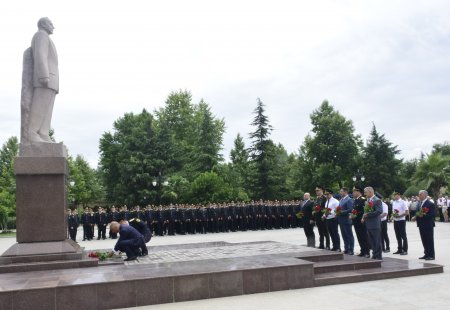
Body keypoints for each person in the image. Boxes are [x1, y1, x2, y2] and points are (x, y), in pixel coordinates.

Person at [23, 17, 59, 143]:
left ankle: (43, 133)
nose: (53, 26)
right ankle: (32, 133)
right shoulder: (41, 35)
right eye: (51, 23)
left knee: (47, 110)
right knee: (39, 107)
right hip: (45, 78)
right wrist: (43, 75)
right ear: (44, 24)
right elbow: (40, 54)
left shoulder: (46, 37)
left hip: (52, 80)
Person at [412, 190, 436, 260]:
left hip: (428, 225)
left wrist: (423, 216)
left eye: (420, 194)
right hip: (421, 224)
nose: (419, 196)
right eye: (419, 194)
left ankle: (431, 255)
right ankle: (426, 254)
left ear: (425, 195)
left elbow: (432, 214)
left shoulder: (430, 203)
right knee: (424, 239)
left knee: (429, 240)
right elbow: (417, 212)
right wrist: (415, 217)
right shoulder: (419, 203)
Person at [362, 187, 383, 260]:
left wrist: (368, 215)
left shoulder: (377, 200)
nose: (364, 194)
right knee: (372, 241)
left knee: (376, 240)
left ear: (370, 192)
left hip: (374, 224)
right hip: (369, 224)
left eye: (365, 192)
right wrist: (363, 217)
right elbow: (366, 211)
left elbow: (379, 211)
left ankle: (378, 256)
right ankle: (374, 254)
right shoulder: (367, 200)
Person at [352, 187, 370, 258]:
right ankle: (362, 251)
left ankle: (367, 252)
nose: (353, 193)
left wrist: (355, 214)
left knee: (364, 237)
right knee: (359, 237)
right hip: (356, 221)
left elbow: (364, 211)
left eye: (354, 191)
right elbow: (354, 209)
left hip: (361, 221)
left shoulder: (363, 199)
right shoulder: (355, 200)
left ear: (358, 192)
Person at [337, 187, 354, 255]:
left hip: (346, 220)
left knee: (349, 235)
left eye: (341, 191)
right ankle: (346, 248)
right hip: (341, 220)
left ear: (345, 192)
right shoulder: (341, 199)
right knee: (344, 235)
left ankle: (351, 249)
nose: (340, 193)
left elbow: (350, 209)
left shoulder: (349, 199)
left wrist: (341, 212)